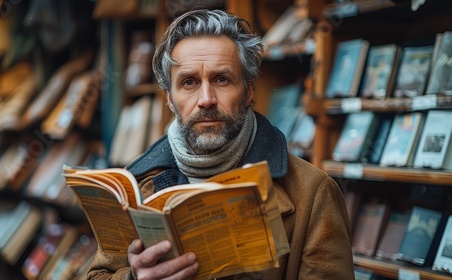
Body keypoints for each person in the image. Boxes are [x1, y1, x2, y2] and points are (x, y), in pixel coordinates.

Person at [88, 8, 355, 280]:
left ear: (249, 90)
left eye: (222, 79)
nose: (206, 99)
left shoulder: (313, 193)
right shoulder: (139, 185)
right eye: (189, 82)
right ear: (170, 98)